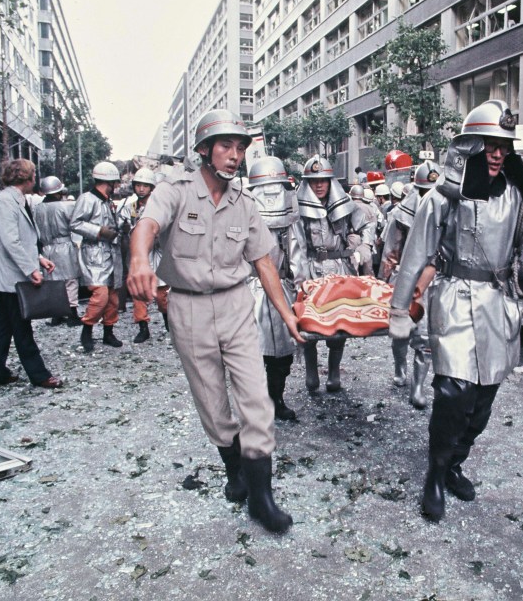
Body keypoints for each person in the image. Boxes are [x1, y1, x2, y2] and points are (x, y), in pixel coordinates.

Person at [388, 100, 523, 521]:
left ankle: (454, 462)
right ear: (470, 145)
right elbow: (416, 254)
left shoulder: (522, 200)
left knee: (482, 402)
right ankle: (434, 474)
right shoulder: (443, 198)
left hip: (499, 304)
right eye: (489, 143)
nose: (496, 152)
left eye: (503, 144)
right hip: (452, 298)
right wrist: (400, 309)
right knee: (452, 393)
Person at [127, 109, 303, 534]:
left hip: (236, 305)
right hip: (187, 308)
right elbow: (147, 225)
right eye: (225, 146)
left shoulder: (246, 204)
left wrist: (288, 316)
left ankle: (262, 497)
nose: (234, 155)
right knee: (212, 402)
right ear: (204, 150)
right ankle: (234, 470)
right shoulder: (176, 191)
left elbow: (264, 264)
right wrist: (138, 260)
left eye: (240, 148)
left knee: (257, 399)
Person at [290, 154, 372, 394]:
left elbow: (366, 225)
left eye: (323, 180)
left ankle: (334, 373)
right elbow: (296, 246)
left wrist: (361, 250)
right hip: (312, 269)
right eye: (314, 180)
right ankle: (311, 372)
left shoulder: (345, 203)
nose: (319, 184)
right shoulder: (299, 208)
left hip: (340, 271)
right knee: (310, 325)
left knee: (340, 324)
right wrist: (299, 279)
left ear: (330, 182)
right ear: (307, 182)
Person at [0, 158, 63, 389]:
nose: (35, 179)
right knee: (21, 328)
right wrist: (30, 270)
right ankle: (39, 375)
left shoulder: (15, 200)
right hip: (10, 277)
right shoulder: (6, 202)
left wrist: (39, 259)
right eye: (33, 175)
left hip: (11, 276)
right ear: (26, 178)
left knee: (3, 326)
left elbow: (22, 240)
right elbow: (11, 242)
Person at [380, 160, 440, 409]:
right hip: (403, 277)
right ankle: (399, 368)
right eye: (426, 191)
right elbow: (390, 251)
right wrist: (384, 283)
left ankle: (417, 388)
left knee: (426, 338)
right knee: (401, 331)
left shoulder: (447, 210)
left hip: (435, 281)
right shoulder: (400, 215)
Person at [246, 156, 300, 420]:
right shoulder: (241, 215)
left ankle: (276, 398)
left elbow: (296, 252)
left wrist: (300, 284)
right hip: (250, 290)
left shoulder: (290, 220)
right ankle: (256, 405)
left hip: (282, 289)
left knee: (283, 354)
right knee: (253, 353)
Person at [71, 161, 124, 352]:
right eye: (115, 183)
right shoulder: (87, 199)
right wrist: (99, 231)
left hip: (111, 252)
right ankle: (87, 330)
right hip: (95, 253)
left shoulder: (107, 201)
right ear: (108, 182)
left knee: (113, 297)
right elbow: (75, 223)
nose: (116, 187)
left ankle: (108, 332)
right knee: (100, 296)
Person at [118, 167, 168, 343]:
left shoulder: (160, 206)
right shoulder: (128, 208)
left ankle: (169, 323)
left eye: (145, 186)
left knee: (163, 295)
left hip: (158, 253)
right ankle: (143, 327)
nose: (141, 189)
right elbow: (121, 227)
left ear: (151, 188)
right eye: (138, 185)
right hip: (140, 255)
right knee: (139, 294)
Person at [33, 175, 81, 327]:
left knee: (53, 282)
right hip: (64, 245)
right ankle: (72, 314)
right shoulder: (66, 206)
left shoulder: (38, 208)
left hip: (47, 248)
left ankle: (56, 315)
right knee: (70, 280)